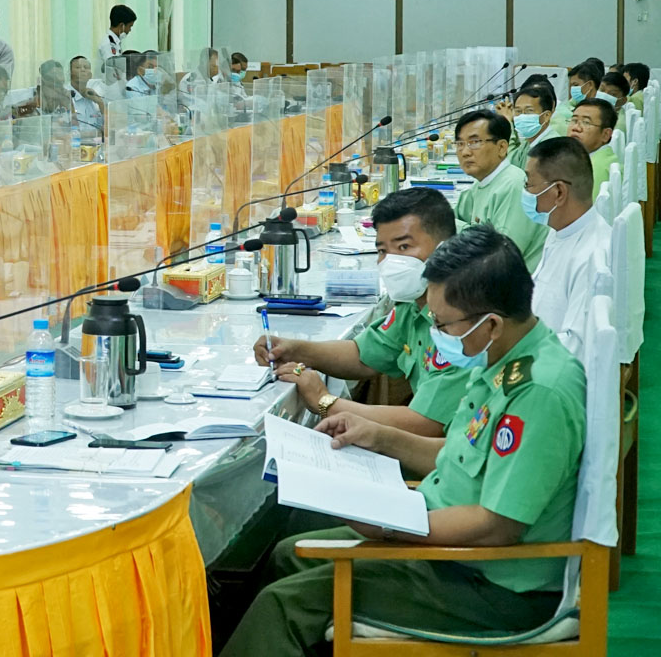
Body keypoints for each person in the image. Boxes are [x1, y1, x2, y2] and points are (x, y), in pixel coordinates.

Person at [224, 225, 586, 657]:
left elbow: (497, 525)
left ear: (490, 324)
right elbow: (459, 457)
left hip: (491, 585)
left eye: (442, 324)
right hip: (450, 543)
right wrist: (379, 437)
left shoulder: (537, 393)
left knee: (283, 606)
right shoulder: (503, 357)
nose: (435, 332)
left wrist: (389, 527)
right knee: (290, 554)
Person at [253, 188, 465, 438]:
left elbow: (429, 424)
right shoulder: (414, 301)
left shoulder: (461, 316)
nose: (390, 262)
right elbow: (364, 356)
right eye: (382, 251)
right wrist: (295, 350)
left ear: (444, 249)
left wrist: (324, 401)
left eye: (404, 246)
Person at [523, 137, 612, 356]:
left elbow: (573, 346)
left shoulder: (592, 254)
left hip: (545, 361)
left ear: (559, 192)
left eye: (528, 184)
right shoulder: (560, 228)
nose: (524, 192)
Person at [453, 110, 548, 271]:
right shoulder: (483, 182)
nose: (465, 152)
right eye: (460, 144)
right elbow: (452, 216)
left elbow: (502, 257)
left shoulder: (513, 185)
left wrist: (457, 229)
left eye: (474, 142)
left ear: (502, 147)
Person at [567, 98, 619, 201]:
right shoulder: (591, 157)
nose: (576, 128)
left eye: (586, 123)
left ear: (606, 134)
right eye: (574, 120)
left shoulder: (596, 170)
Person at [507, 84, 561, 169]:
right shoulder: (529, 142)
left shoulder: (552, 148)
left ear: (546, 116)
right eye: (518, 111)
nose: (522, 116)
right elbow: (512, 163)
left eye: (529, 111)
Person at [549, 60, 602, 135]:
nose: (572, 89)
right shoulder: (564, 108)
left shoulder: (603, 108)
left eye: (576, 85)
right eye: (571, 86)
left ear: (589, 85)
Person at [68, 55, 105, 137]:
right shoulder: (65, 95)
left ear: (90, 75)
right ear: (70, 73)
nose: (82, 70)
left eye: (86, 67)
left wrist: (100, 103)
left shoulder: (92, 96)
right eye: (78, 67)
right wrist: (94, 134)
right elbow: (65, 133)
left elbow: (106, 127)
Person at [98, 4, 136, 74]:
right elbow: (112, 67)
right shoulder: (107, 43)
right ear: (122, 26)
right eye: (130, 26)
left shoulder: (115, 42)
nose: (130, 30)